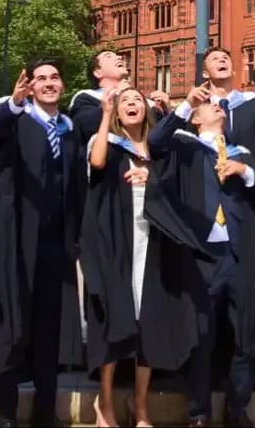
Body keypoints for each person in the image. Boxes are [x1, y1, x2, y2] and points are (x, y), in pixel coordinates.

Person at [146, 83, 255, 428]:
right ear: (196, 120)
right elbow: (154, 145)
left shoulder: (241, 153)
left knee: (244, 336)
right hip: (201, 256)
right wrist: (185, 106)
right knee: (199, 335)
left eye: (219, 107)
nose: (217, 108)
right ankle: (199, 411)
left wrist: (246, 174)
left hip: (239, 256)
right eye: (210, 106)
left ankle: (237, 406)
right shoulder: (185, 147)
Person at [0, 59, 84, 427]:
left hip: (55, 243)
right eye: (41, 79)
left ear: (62, 86)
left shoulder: (69, 129)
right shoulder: (17, 120)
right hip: (16, 242)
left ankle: (44, 406)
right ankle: (7, 411)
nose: (49, 83)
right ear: (30, 87)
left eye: (54, 78)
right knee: (11, 319)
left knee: (49, 325)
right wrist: (14, 103)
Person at [82, 87, 200, 428]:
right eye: (124, 102)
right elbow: (98, 162)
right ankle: (104, 404)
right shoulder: (105, 139)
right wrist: (105, 116)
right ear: (117, 112)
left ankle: (142, 404)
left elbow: (177, 190)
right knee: (112, 315)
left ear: (147, 111)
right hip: (116, 237)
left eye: (137, 100)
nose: (131, 104)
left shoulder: (160, 149)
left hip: (153, 237)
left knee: (148, 317)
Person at [69, 50, 169, 141]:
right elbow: (86, 128)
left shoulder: (148, 104)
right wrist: (118, 96)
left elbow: (162, 137)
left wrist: (166, 111)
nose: (119, 57)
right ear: (98, 72)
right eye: (108, 56)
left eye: (117, 55)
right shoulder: (85, 97)